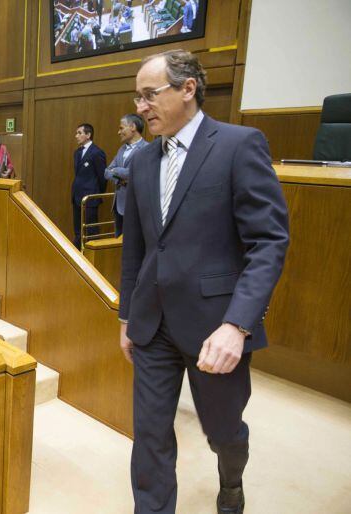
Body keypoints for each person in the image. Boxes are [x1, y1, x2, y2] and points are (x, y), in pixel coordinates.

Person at [119, 50, 289, 514]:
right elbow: (136, 249)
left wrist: (238, 324)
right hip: (152, 326)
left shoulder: (239, 145)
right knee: (150, 435)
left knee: (224, 431)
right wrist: (127, 315)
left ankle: (231, 482)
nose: (141, 106)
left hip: (217, 327)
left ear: (188, 89)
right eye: (138, 97)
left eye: (149, 95)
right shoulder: (141, 162)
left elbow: (269, 241)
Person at [104, 113, 148, 236]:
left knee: (133, 242)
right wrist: (122, 177)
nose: (118, 132)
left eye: (121, 128)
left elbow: (135, 172)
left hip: (135, 205)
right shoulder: (121, 149)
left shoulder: (147, 149)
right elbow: (107, 172)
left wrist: (117, 171)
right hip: (118, 204)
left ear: (133, 127)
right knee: (118, 243)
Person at [71, 123, 107, 249]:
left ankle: (91, 261)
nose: (76, 136)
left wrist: (96, 194)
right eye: (76, 133)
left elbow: (103, 178)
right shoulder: (77, 153)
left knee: (91, 231)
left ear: (88, 135)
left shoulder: (97, 152)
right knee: (78, 231)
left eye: (79, 133)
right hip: (77, 197)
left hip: (90, 198)